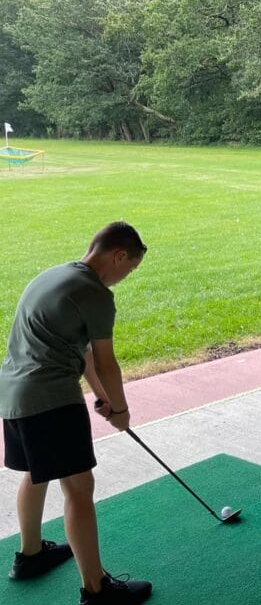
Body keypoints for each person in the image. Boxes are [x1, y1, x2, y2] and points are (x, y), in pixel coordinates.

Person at [0, 222, 153, 605]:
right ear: (119, 255)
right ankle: (96, 590)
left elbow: (82, 355)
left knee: (38, 472)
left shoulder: (54, 276)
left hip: (14, 395)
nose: (125, 277)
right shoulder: (96, 294)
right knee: (79, 490)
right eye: (129, 268)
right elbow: (107, 361)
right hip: (51, 400)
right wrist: (120, 410)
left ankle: (30, 556)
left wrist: (100, 397)